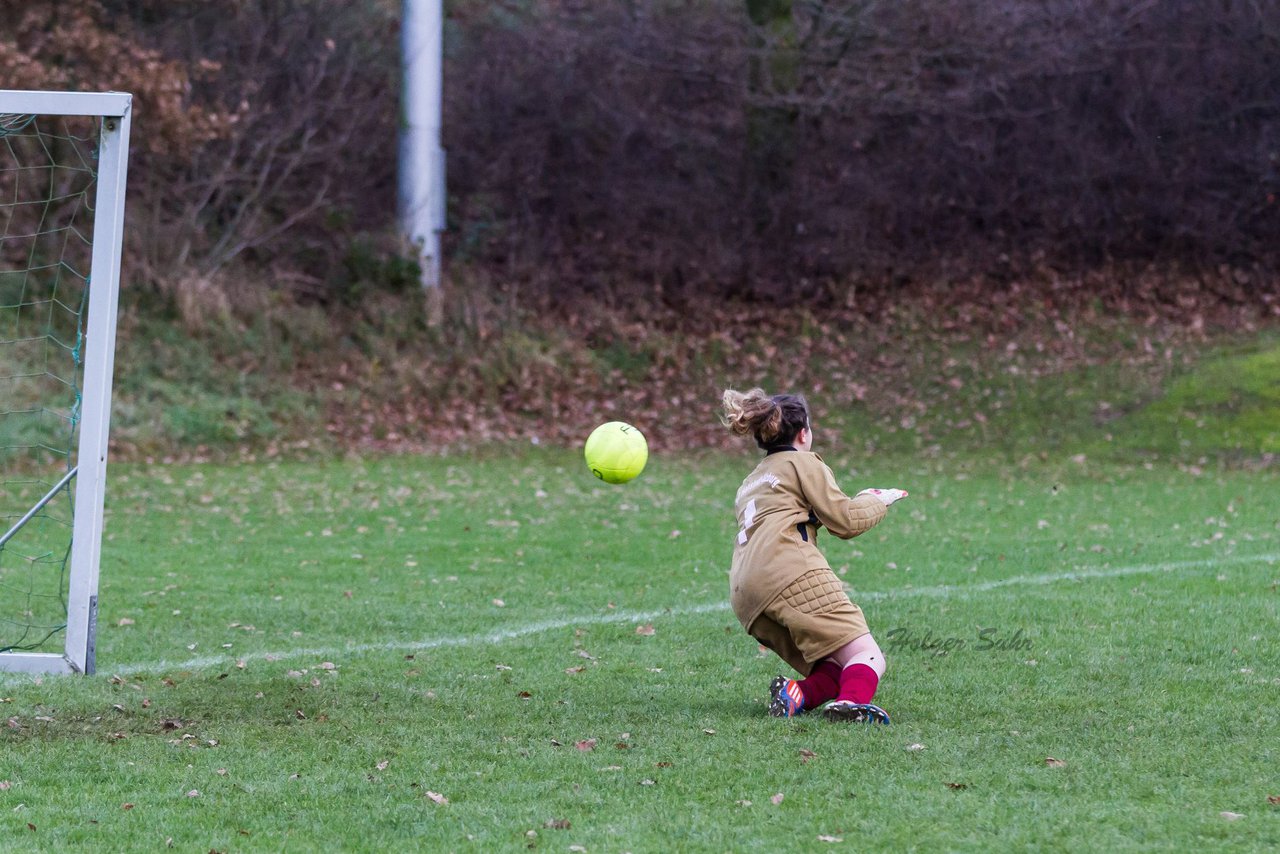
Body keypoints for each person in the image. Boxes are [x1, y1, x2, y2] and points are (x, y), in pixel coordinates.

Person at [721, 388, 907, 724]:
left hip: (745, 594)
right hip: (789, 572)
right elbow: (846, 521)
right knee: (867, 656)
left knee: (835, 666)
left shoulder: (752, 480)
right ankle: (849, 705)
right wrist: (877, 500)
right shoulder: (803, 461)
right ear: (804, 432)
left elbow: (793, 514)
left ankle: (796, 694)